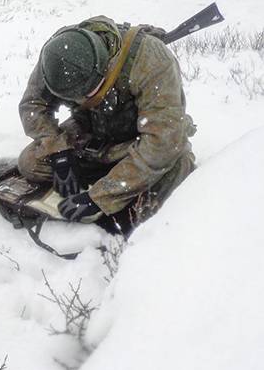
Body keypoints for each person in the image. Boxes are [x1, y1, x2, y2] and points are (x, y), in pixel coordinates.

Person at [17, 16, 196, 236]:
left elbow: (162, 142)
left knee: (172, 163)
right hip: (90, 134)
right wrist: (59, 152)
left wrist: (99, 197)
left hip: (137, 139)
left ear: (105, 70)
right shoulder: (57, 56)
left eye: (89, 95)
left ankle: (129, 178)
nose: (82, 102)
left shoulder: (151, 61)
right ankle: (116, 173)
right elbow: (32, 106)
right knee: (30, 163)